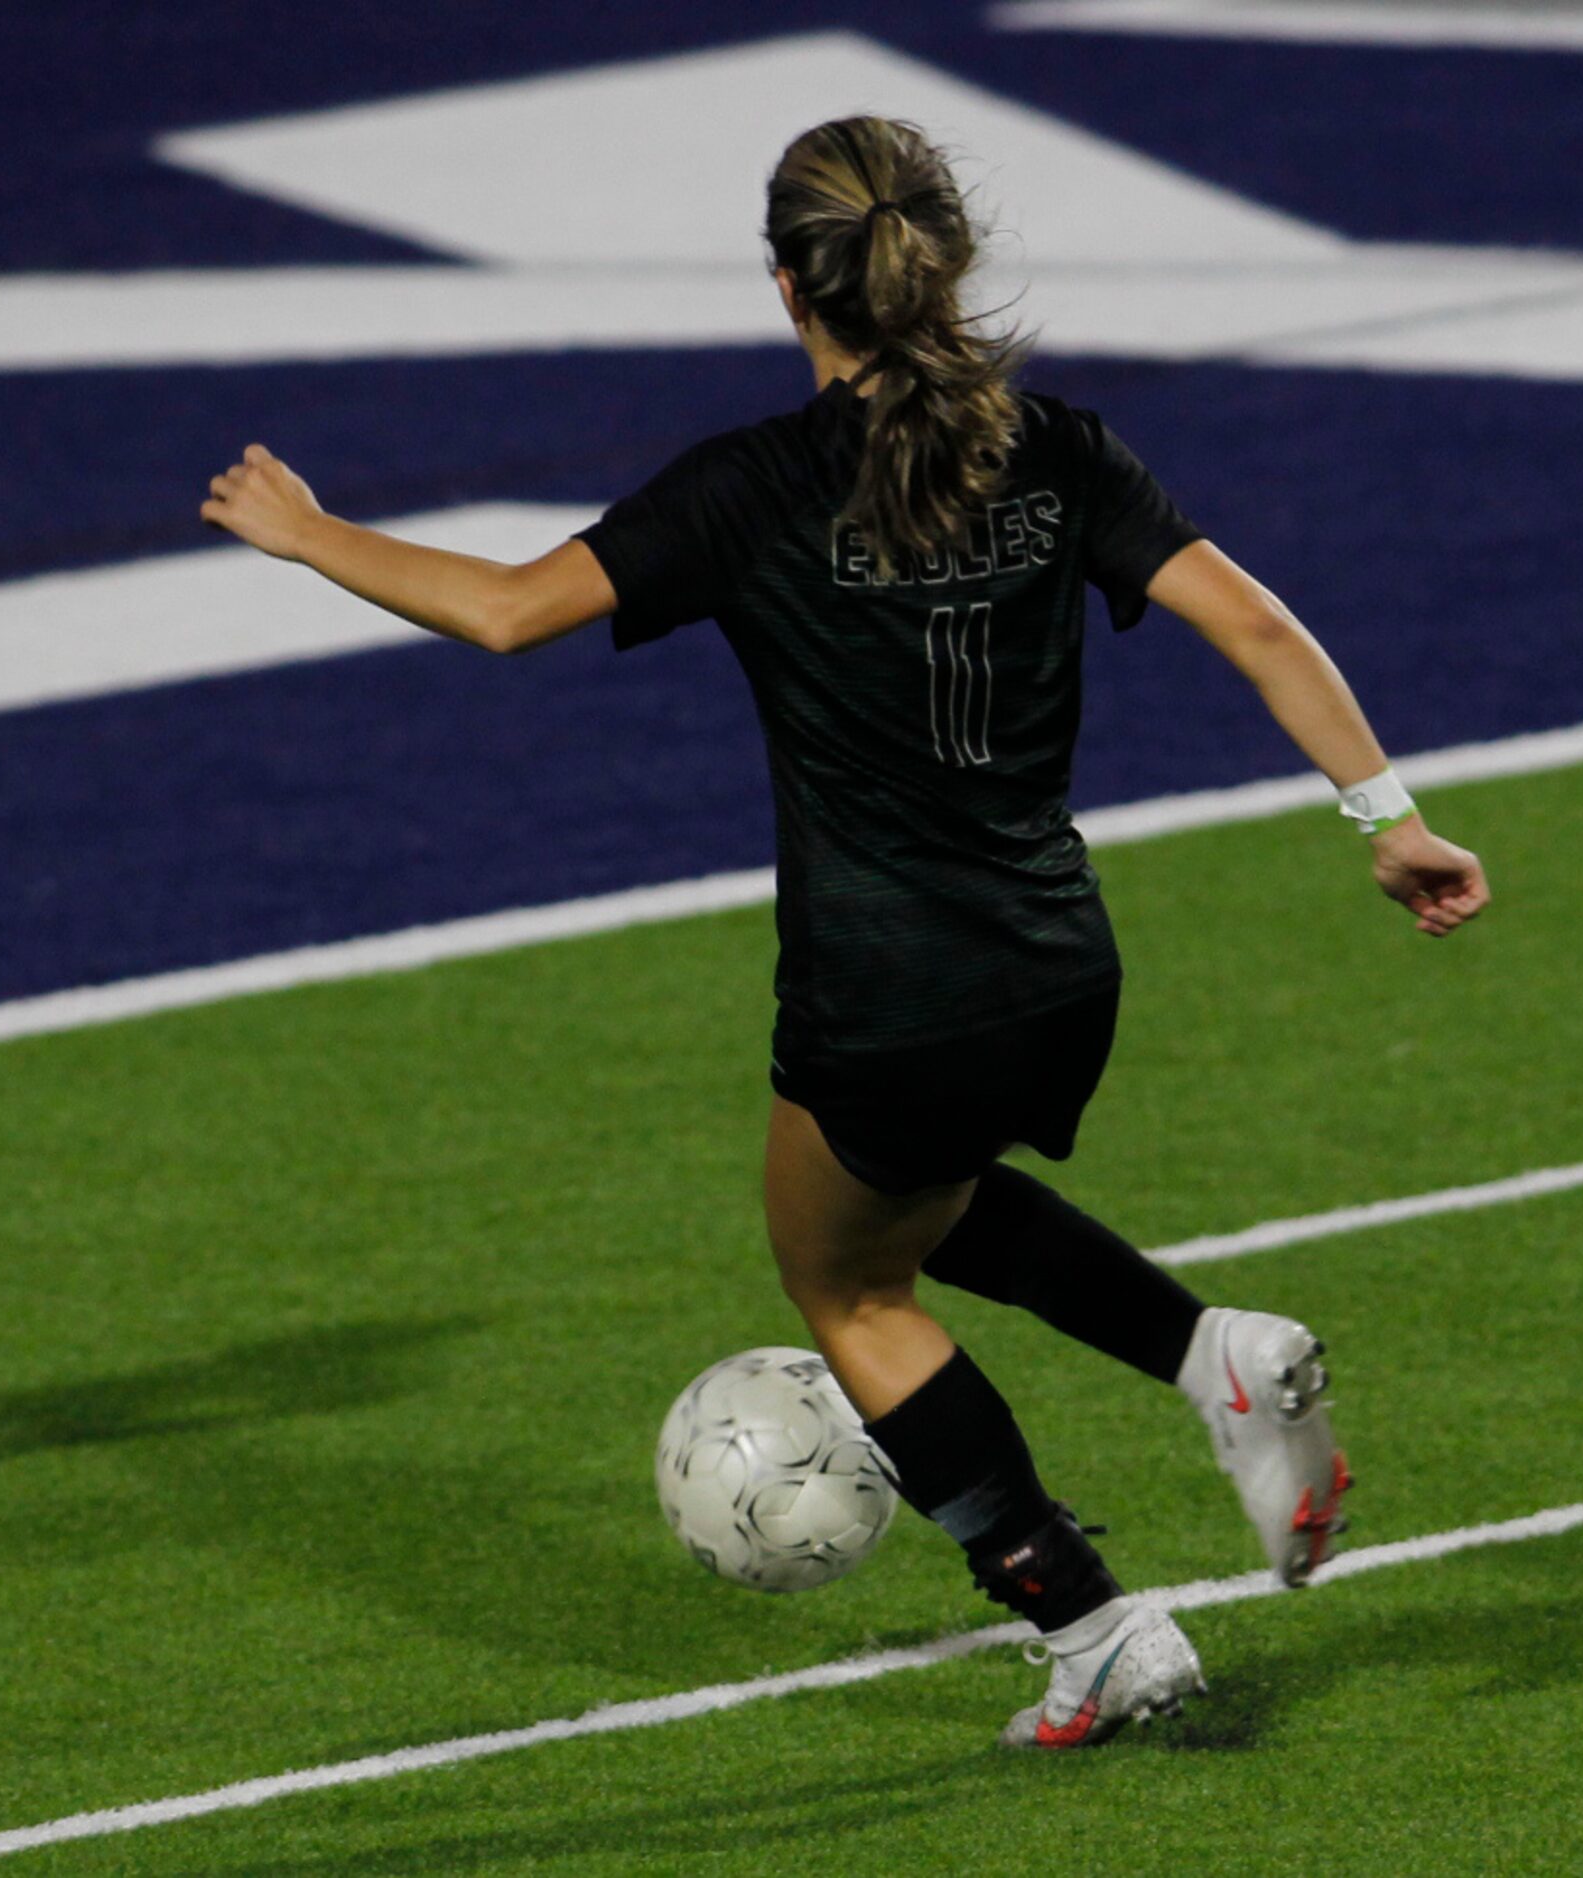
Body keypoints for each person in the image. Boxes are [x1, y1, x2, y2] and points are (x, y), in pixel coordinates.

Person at [201, 117, 1487, 1746]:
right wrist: (1391, 823)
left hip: (887, 988)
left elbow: (509, 610)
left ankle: (1090, 1622)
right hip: (1058, 963)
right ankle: (1206, 1350)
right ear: (941, 256)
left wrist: (311, 533)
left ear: (787, 283)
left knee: (841, 1278)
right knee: (922, 1207)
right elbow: (1255, 617)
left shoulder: (754, 486)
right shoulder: (1057, 447)